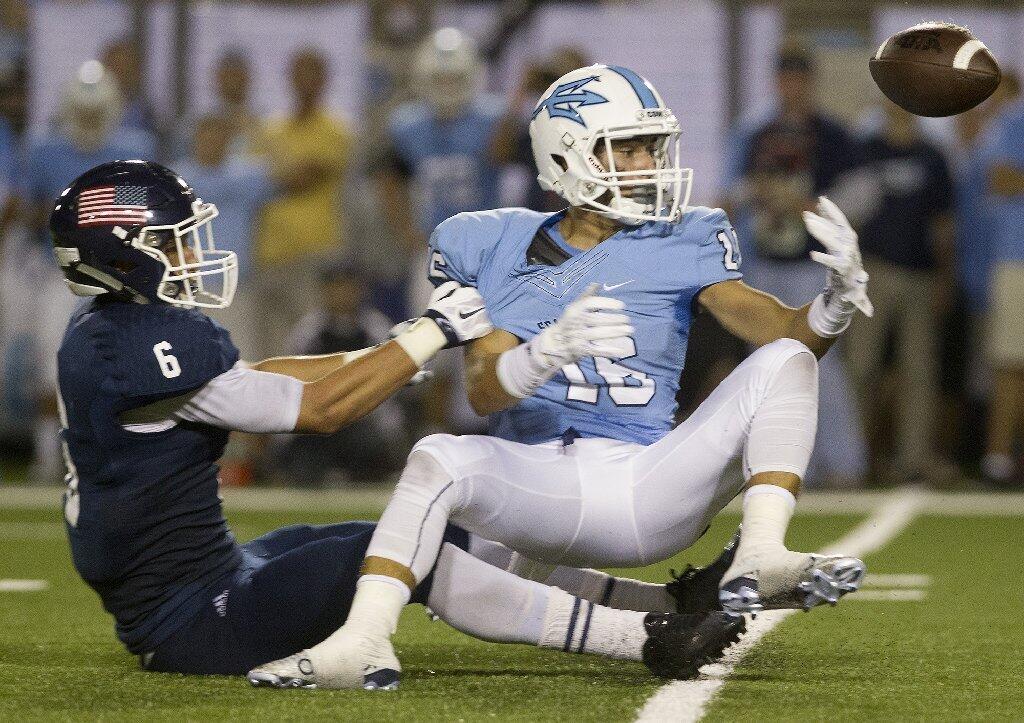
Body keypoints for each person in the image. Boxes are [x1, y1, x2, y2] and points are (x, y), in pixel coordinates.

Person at [251, 64, 872, 690]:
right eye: (627, 147)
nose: (647, 163)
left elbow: (776, 332)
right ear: (568, 154)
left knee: (786, 361)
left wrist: (832, 306)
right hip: (546, 482)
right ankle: (362, 643)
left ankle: (760, 551)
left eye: (651, 146)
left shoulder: (685, 236)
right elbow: (484, 391)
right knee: (440, 464)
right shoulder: (489, 241)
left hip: (652, 479)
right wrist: (540, 355)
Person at [52, 159, 743, 685]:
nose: (191, 255)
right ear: (121, 255)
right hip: (194, 617)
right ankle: (646, 635)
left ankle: (673, 597)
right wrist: (431, 333)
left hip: (213, 574)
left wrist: (386, 350)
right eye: (173, 243)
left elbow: (254, 376)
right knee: (409, 560)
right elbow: (316, 412)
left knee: (408, 533)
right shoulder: (135, 346)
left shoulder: (111, 333)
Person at [728, 48, 867, 487]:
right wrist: (755, 197)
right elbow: (733, 192)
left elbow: (861, 197)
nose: (791, 86)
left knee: (823, 365)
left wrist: (804, 207)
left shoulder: (832, 136)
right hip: (766, 261)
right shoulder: (758, 133)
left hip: (813, 264)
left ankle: (844, 465)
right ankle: (771, 462)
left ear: (809, 81)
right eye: (785, 77)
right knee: (764, 366)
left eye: (798, 78)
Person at [252, 47, 354, 358]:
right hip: (270, 252)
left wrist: (277, 169)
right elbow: (256, 180)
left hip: (315, 251)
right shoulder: (271, 128)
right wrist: (280, 171)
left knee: (308, 351)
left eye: (313, 73)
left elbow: (300, 179)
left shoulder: (336, 129)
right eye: (299, 72)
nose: (305, 80)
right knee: (269, 352)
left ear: (324, 80)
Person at [981, 88, 1024, 486]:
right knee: (1011, 362)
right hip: (1018, 257)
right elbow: (1002, 178)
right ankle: (996, 460)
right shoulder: (1014, 117)